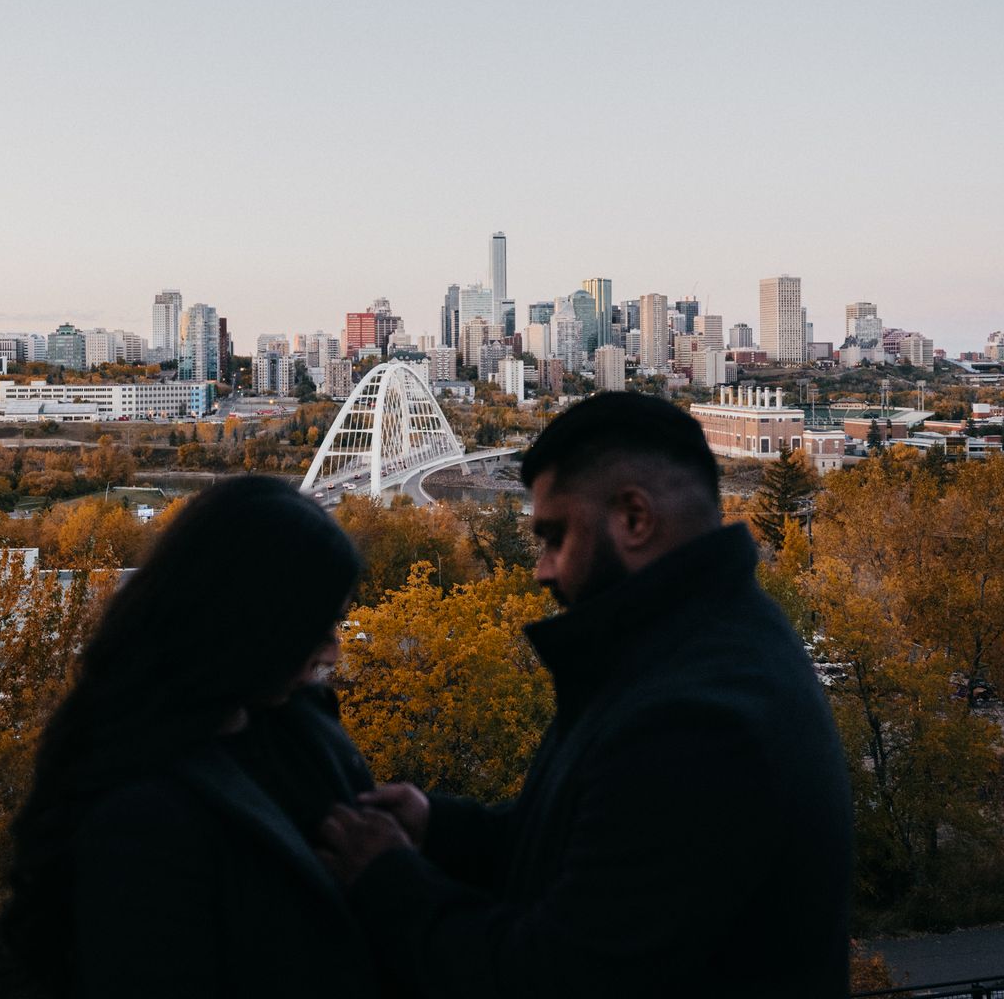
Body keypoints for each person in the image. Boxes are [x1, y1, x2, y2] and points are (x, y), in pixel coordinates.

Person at [317, 393, 854, 997]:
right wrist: (441, 830)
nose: (542, 569)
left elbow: (555, 977)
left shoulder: (699, 720)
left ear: (633, 518)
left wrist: (387, 881)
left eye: (554, 536)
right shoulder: (698, 649)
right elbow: (590, 853)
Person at [5, 476, 380, 998]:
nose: (333, 649)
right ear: (253, 620)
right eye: (318, 625)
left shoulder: (293, 728)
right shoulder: (139, 821)